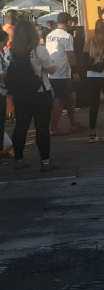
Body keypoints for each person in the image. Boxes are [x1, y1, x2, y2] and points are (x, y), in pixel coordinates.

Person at [7, 21, 56, 171]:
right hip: (40, 92)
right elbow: (51, 69)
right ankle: (45, 161)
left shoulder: (13, 51)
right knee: (42, 128)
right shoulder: (38, 50)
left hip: (21, 94)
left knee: (21, 126)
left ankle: (19, 159)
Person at [82, 19, 104, 143]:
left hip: (91, 75)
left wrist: (93, 67)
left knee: (94, 105)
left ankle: (92, 133)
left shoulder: (89, 40)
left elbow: (84, 59)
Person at [46, 12, 79, 134]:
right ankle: (53, 128)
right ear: (68, 22)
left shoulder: (49, 35)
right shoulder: (66, 36)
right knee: (60, 100)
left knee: (69, 98)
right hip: (62, 73)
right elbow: (70, 55)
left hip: (52, 72)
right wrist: (75, 71)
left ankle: (73, 123)